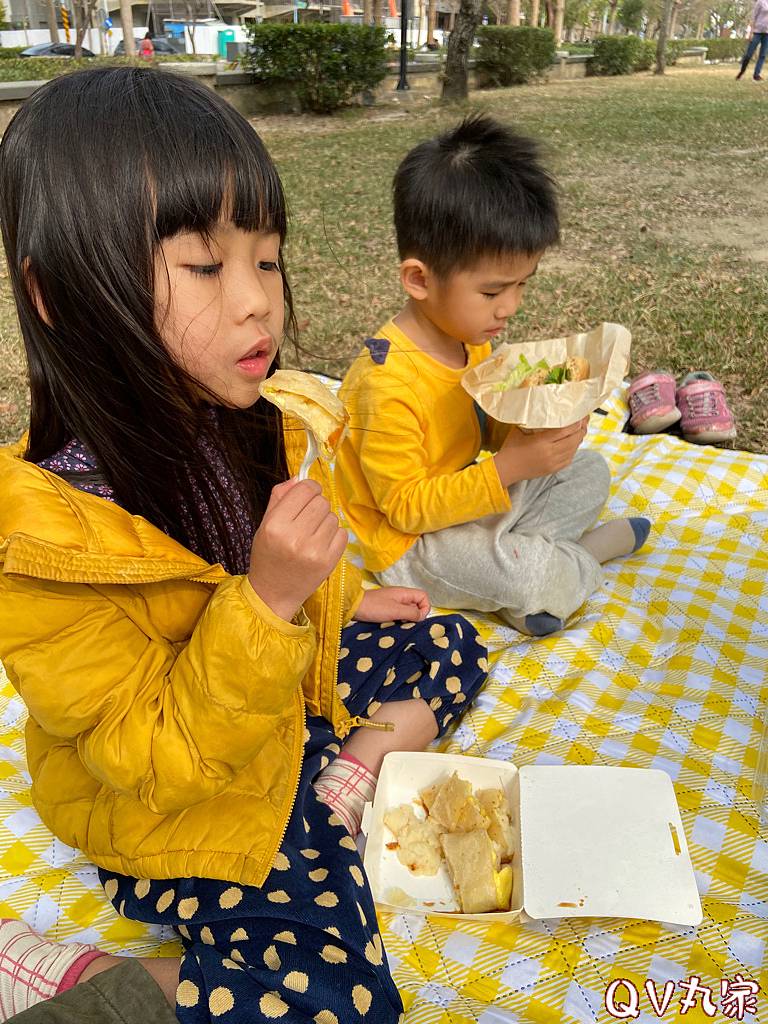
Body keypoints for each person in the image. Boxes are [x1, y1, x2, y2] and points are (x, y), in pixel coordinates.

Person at [0, 68, 490, 1022]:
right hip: (171, 809)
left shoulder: (256, 417)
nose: (258, 301)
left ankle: (336, 789)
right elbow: (149, 757)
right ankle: (70, 984)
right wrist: (269, 604)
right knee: (333, 996)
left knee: (448, 641)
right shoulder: (43, 541)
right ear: (60, 294)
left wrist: (339, 598)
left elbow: (292, 568)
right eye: (203, 264)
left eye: (267, 260)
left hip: (276, 712)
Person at [335, 115, 651, 638]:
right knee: (529, 577)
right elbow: (405, 510)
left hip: (470, 501)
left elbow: (487, 423)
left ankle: (524, 561)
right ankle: (576, 560)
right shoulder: (383, 383)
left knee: (587, 470)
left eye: (522, 285)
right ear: (419, 279)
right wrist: (509, 467)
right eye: (493, 291)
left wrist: (535, 428)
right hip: (411, 544)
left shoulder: (471, 337)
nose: (510, 307)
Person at [736, 0, 768, 80]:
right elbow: (754, 17)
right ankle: (742, 72)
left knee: (762, 55)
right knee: (748, 54)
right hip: (757, 32)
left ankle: (756, 75)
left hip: (767, 33)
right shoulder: (760, 2)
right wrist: (750, 33)